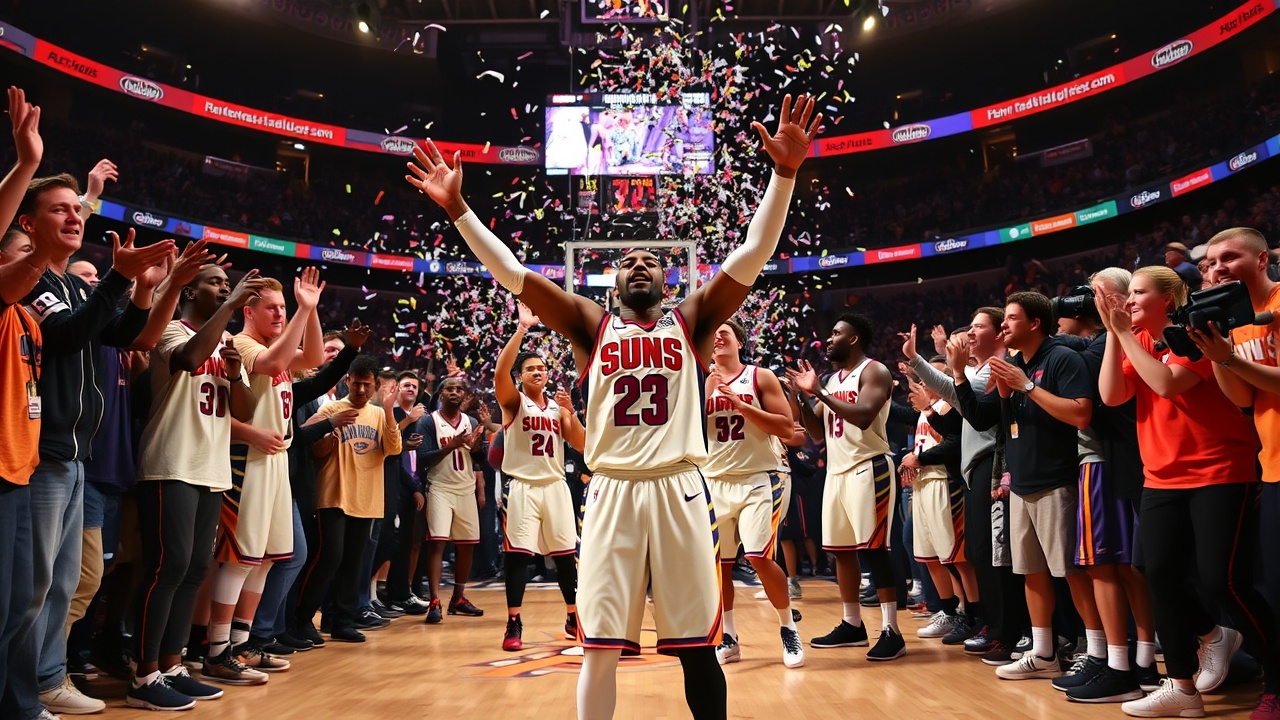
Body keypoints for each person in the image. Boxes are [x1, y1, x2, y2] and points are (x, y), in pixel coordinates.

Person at [407, 92, 820, 720]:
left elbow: (753, 254)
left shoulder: (692, 322)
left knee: (698, 650)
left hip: (682, 488)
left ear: (668, 281)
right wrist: (459, 209)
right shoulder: (588, 325)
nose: (639, 265)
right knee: (598, 649)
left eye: (651, 261)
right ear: (614, 282)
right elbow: (513, 273)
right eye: (628, 262)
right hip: (611, 490)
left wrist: (784, 175)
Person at [17, 161, 174, 719]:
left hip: (76, 452)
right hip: (43, 451)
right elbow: (66, 334)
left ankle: (46, 680)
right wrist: (116, 279)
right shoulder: (32, 281)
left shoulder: (66, 283)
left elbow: (121, 334)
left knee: (63, 583)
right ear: (28, 224)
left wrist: (139, 288)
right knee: (35, 586)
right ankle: (25, 689)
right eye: (58, 209)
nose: (74, 217)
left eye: (76, 209)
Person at [1097, 266, 1280, 719]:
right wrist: (1114, 335)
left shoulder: (1195, 333)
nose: (1129, 300)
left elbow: (1165, 384)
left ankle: (1275, 675)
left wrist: (1123, 333)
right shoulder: (1136, 338)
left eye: (1139, 292)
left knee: (1222, 581)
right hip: (1160, 476)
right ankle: (1181, 685)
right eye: (1128, 292)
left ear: (1168, 299)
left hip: (1220, 469)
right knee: (1157, 576)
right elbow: (1112, 396)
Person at [129, 264, 264, 710]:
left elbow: (244, 408)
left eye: (227, 284)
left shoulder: (226, 343)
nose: (225, 288)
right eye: (215, 283)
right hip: (170, 462)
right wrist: (232, 305)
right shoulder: (170, 329)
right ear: (189, 290)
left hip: (211, 467)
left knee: (193, 570)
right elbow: (187, 361)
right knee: (167, 568)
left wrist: (234, 373)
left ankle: (172, 665)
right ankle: (143, 675)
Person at [946, 292, 1097, 683]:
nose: (1004, 325)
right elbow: (984, 420)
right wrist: (960, 375)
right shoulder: (1013, 365)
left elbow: (1081, 414)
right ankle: (1043, 652)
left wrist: (1026, 386)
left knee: (1071, 573)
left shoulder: (1061, 358)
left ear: (1034, 323)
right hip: (1020, 483)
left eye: (1011, 318)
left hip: (1056, 478)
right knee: (1031, 572)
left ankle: (1096, 651)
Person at [206, 270, 324, 682]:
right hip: (247, 459)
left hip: (275, 460)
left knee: (266, 560)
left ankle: (243, 644)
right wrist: (302, 311)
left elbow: (315, 358)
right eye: (271, 308)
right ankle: (217, 650)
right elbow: (273, 363)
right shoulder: (242, 343)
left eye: (283, 308)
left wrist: (310, 310)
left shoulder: (275, 346)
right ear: (249, 312)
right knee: (241, 559)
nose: (279, 314)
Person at [789, 314, 905, 661]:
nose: (829, 338)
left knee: (874, 549)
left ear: (854, 339)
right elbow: (817, 433)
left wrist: (819, 392)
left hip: (869, 467)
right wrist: (801, 399)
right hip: (837, 471)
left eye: (837, 333)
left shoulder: (874, 371)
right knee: (840, 551)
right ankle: (852, 624)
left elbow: (864, 415)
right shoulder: (829, 379)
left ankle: (892, 631)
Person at [1190, 228, 1280, 617]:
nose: (1218, 268)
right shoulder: (1237, 320)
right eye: (1211, 263)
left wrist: (1228, 358)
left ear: (1261, 259)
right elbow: (1243, 398)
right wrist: (1216, 351)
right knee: (1274, 582)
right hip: (1272, 464)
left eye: (1229, 258)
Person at [703, 320, 801, 668]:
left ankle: (788, 627)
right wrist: (704, 396)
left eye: (725, 333)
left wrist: (742, 405)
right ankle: (729, 637)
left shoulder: (760, 377)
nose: (717, 337)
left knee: (759, 557)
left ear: (739, 342)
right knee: (721, 565)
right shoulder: (701, 382)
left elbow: (787, 428)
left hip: (759, 478)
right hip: (714, 481)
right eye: (714, 334)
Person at [0, 85, 54, 720]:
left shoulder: (27, 323)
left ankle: (18, 704)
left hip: (21, 470)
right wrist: (25, 167)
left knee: (21, 604)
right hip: (1, 471)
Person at [493, 303, 586, 651]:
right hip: (522, 487)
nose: (538, 372)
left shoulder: (557, 407)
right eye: (530, 368)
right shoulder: (514, 402)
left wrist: (571, 413)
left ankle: (573, 616)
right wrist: (521, 330)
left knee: (565, 555)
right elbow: (499, 372)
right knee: (518, 555)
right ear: (520, 376)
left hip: (555, 486)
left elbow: (581, 444)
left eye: (542, 368)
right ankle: (513, 622)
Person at [296, 355, 402, 643]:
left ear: (376, 385)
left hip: (366, 499)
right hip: (333, 495)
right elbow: (312, 448)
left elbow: (393, 450)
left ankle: (341, 621)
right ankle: (302, 619)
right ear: (347, 381)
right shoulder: (332, 409)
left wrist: (389, 410)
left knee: (353, 562)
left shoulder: (378, 414)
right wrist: (329, 434)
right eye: (357, 384)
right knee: (329, 558)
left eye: (367, 385)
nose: (362, 390)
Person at [416, 376, 487, 623]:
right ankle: (434, 600)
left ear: (464, 394)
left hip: (465, 488)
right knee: (437, 542)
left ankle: (458, 598)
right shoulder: (428, 421)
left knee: (467, 544)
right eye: (450, 389)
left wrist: (476, 448)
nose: (455, 392)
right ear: (441, 393)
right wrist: (451, 446)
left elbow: (480, 460)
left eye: (459, 389)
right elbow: (423, 458)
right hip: (440, 487)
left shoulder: (472, 422)